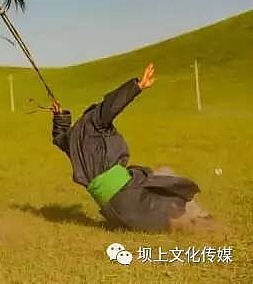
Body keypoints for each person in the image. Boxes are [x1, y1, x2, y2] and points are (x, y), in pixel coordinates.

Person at [50, 63, 211, 232]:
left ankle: (192, 221)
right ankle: (203, 218)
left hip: (115, 214)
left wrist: (59, 117)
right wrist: (137, 86)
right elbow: (111, 105)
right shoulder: (94, 122)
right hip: (130, 198)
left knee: (159, 191)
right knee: (167, 177)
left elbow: (60, 138)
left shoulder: (74, 140)